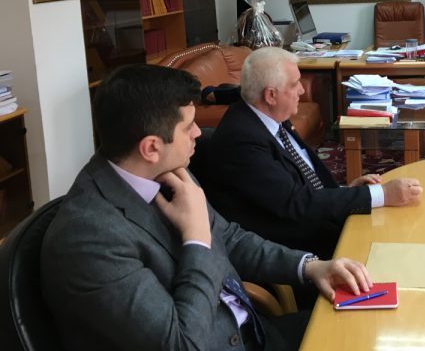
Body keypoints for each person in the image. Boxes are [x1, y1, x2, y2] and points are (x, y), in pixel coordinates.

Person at [40, 64, 373, 351]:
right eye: (188, 127)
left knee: (371, 328)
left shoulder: (168, 172)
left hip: (254, 333)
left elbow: (230, 238)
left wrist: (311, 267)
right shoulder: (88, 240)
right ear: (151, 147)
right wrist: (197, 240)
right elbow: (183, 343)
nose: (199, 133)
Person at [205, 47, 423, 262]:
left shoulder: (268, 112)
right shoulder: (242, 141)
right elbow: (295, 203)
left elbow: (302, 186)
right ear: (271, 95)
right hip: (302, 246)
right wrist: (381, 194)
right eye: (294, 84)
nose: (302, 90)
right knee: (400, 245)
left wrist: (345, 192)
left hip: (316, 212)